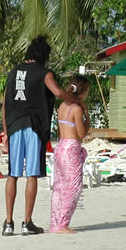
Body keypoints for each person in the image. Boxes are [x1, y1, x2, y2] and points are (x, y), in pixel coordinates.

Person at [1, 36, 80, 236]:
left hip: (14, 127)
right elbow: (59, 93)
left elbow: (5, 105)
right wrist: (76, 100)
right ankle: (27, 223)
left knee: (13, 174)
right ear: (44, 55)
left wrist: (6, 134)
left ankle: (8, 223)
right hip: (33, 127)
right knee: (32, 174)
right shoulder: (44, 73)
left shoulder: (13, 72)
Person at [50, 76, 90, 234]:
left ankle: (56, 223)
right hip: (72, 147)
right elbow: (81, 133)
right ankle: (62, 224)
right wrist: (87, 118)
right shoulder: (76, 109)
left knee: (59, 187)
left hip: (61, 146)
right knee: (73, 187)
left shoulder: (62, 106)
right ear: (84, 91)